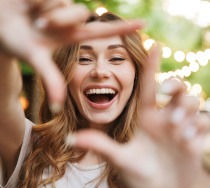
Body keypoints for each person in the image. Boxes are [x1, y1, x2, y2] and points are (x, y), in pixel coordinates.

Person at [0, 1, 210, 188]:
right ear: (65, 74)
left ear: (137, 75)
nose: (100, 71)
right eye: (84, 59)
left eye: (117, 58)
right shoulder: (29, 147)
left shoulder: (163, 160)